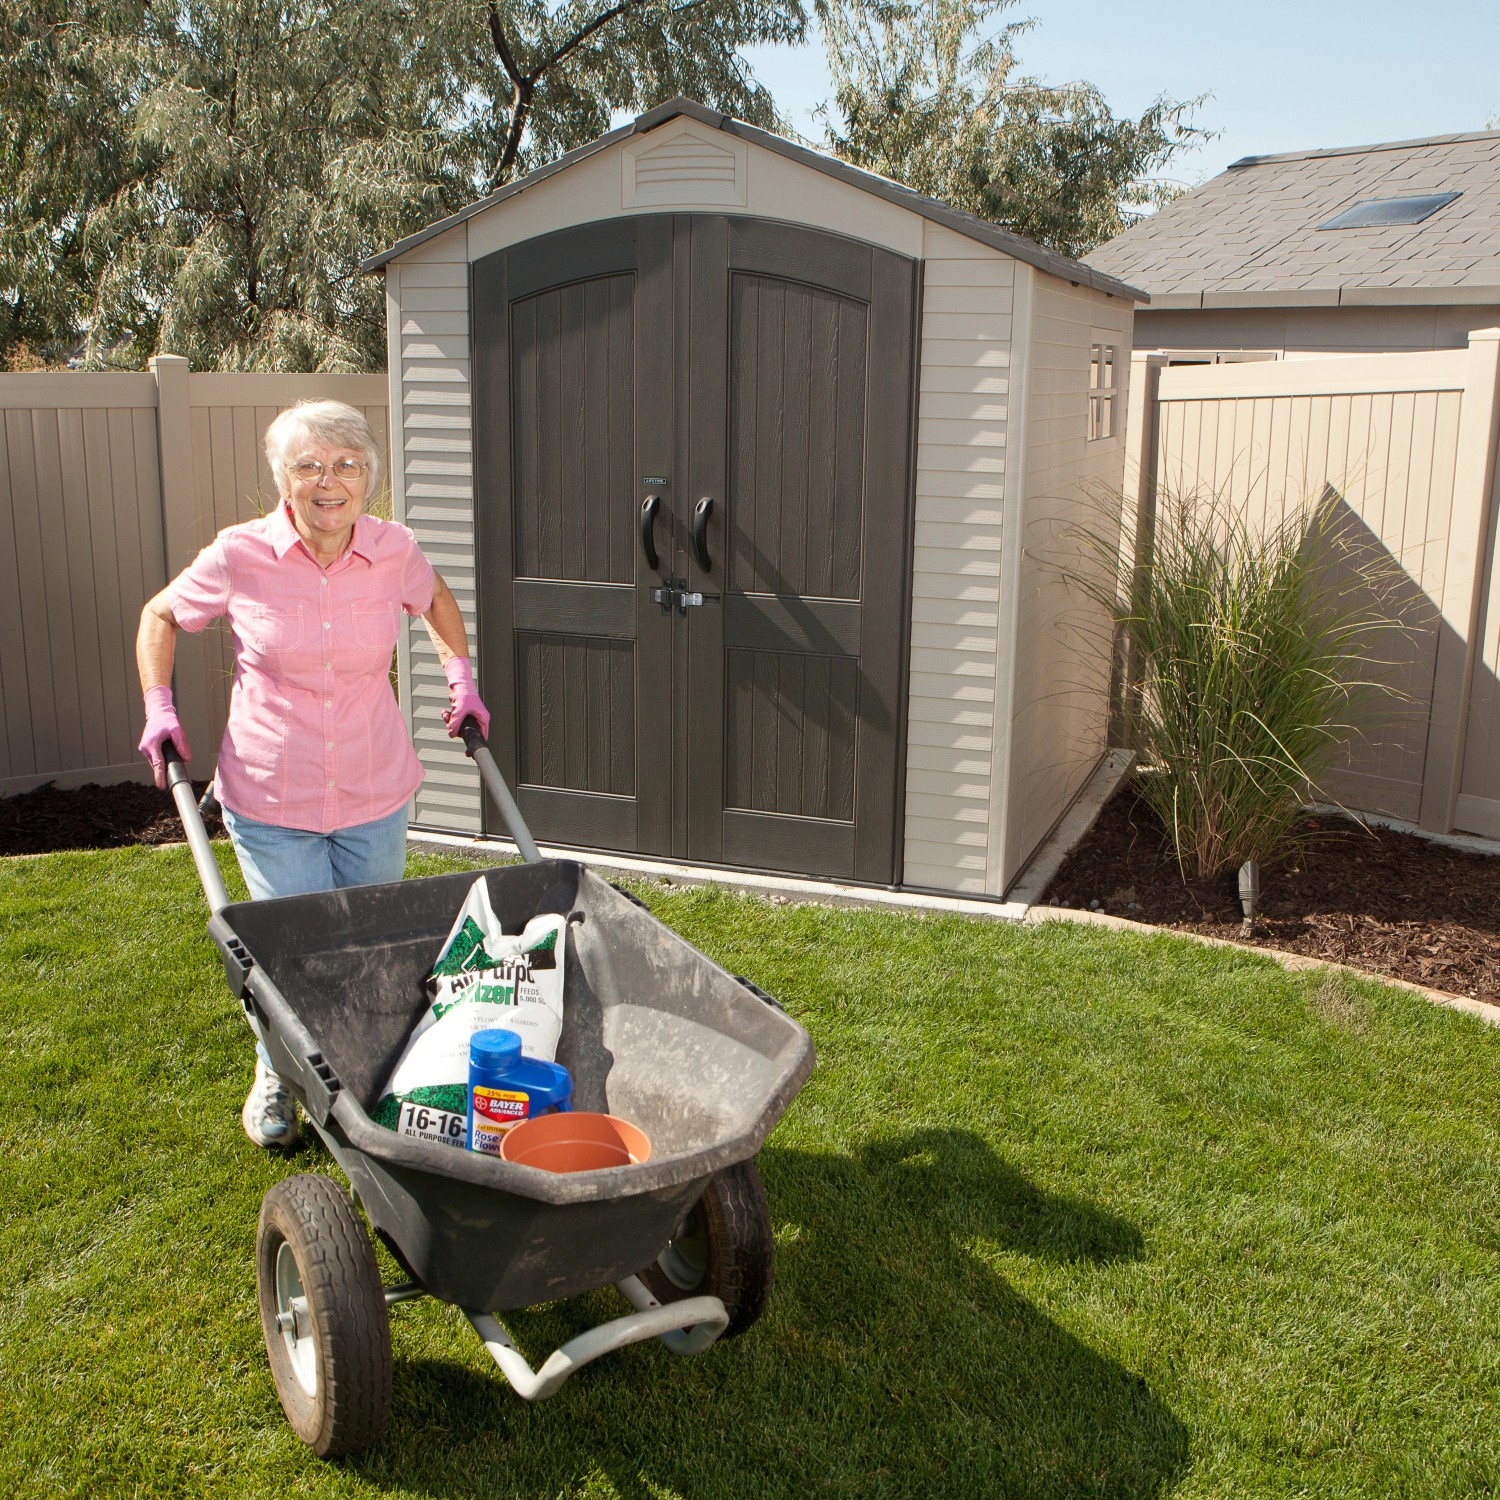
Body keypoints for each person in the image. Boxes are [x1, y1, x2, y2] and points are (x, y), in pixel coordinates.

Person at [136, 398, 489, 1149]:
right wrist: (158, 704)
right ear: (282, 478)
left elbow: (434, 599)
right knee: (291, 955)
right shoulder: (239, 554)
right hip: (273, 792)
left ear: (370, 477)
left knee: (369, 946)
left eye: (348, 465)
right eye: (309, 466)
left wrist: (461, 676)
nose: (330, 481)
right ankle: (276, 1072)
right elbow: (160, 615)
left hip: (371, 788)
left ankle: (366, 1070)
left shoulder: (393, 548)